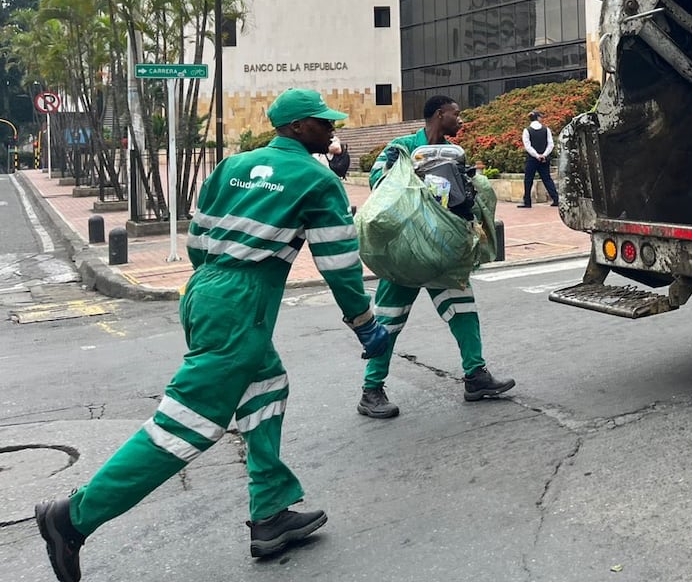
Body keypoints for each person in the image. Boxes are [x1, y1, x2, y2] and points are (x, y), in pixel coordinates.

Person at [34, 88, 391, 582]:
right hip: (243, 302)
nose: (331, 129)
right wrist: (364, 323)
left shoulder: (231, 166)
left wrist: (218, 287)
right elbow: (338, 262)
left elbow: (199, 242)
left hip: (204, 290)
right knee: (186, 424)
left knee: (266, 386)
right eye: (321, 122)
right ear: (294, 128)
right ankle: (72, 518)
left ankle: (271, 513)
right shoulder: (317, 179)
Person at [357, 94, 514, 420]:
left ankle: (476, 376)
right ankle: (371, 390)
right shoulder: (401, 148)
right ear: (439, 114)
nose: (460, 120)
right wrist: (417, 174)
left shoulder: (453, 153)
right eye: (456, 115)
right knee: (388, 320)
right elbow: (379, 181)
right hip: (408, 251)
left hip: (442, 249)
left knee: (464, 310)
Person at [518, 109, 559, 209]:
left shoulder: (527, 130)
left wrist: (536, 155)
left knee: (528, 179)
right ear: (538, 118)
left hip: (532, 159)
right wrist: (543, 155)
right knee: (547, 179)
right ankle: (556, 199)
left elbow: (527, 146)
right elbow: (551, 144)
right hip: (545, 158)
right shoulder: (546, 129)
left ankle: (527, 202)